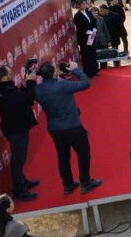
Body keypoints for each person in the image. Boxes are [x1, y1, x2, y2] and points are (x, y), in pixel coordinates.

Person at [35, 62, 103, 195]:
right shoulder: (63, 85)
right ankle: (85, 182)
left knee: (62, 156)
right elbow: (86, 83)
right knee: (83, 154)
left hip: (55, 129)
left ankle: (68, 185)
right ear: (54, 73)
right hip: (73, 126)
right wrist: (75, 69)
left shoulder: (37, 89)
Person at [0, 66, 39, 201]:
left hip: (16, 127)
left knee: (19, 158)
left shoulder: (1, 88)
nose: (13, 74)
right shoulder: (6, 91)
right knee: (18, 159)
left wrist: (24, 86)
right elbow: (28, 97)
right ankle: (19, 190)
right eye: (10, 73)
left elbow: (19, 97)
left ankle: (22, 181)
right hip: (16, 129)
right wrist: (31, 83)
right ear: (3, 78)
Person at [73, 0, 100, 77]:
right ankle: (88, 72)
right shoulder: (77, 16)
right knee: (86, 55)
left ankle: (94, 70)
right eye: (83, 4)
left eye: (85, 4)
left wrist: (94, 30)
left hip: (92, 36)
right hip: (84, 38)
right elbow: (80, 28)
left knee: (92, 53)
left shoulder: (88, 12)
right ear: (78, 5)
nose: (85, 5)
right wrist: (90, 32)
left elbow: (93, 22)